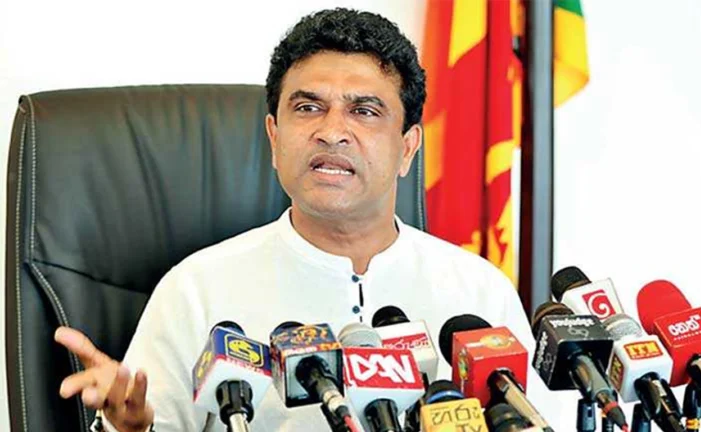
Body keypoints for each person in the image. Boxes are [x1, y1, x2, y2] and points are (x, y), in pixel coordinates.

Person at [55, 8, 560, 431]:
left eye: (364, 111)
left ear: (408, 148)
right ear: (274, 138)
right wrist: (131, 428)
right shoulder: (197, 289)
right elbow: (140, 416)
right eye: (308, 107)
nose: (332, 132)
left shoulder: (477, 293)